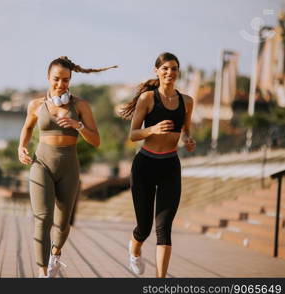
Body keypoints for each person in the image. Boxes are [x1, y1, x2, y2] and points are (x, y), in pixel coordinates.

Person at [18, 56, 117, 278]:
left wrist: (78, 125)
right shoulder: (35, 105)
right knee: (43, 218)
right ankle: (42, 273)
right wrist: (21, 147)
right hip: (41, 164)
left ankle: (55, 253)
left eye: (66, 80)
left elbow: (96, 140)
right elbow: (27, 129)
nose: (61, 84)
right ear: (47, 77)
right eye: (56, 79)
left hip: (69, 167)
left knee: (62, 224)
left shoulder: (80, 105)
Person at [119, 52, 196, 278]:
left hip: (170, 167)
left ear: (178, 72)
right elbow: (133, 134)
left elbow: (186, 129)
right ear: (157, 71)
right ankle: (134, 248)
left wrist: (188, 139)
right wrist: (152, 129)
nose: (169, 73)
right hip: (144, 166)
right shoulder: (148, 99)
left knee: (164, 229)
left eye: (174, 68)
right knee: (144, 228)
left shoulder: (187, 101)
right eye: (165, 69)